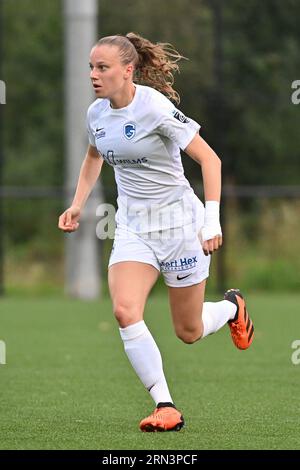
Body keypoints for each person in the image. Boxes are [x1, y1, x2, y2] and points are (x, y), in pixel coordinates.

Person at [58, 32, 254, 432]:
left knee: (189, 330)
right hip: (133, 227)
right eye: (91, 67)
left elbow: (210, 160)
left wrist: (212, 220)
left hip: (182, 226)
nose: (93, 75)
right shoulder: (96, 113)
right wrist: (78, 203)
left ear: (128, 71)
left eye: (102, 67)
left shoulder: (154, 108)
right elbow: (94, 155)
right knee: (124, 310)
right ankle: (165, 405)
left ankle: (233, 308)